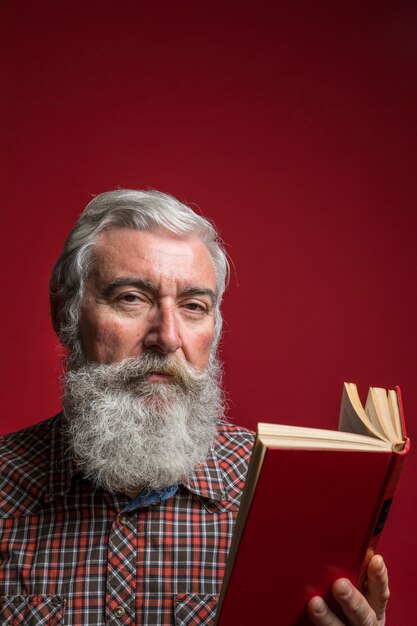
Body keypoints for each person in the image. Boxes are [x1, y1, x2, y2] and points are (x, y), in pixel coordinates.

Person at [0, 190, 389, 625]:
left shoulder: (279, 498)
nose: (167, 337)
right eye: (132, 297)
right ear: (66, 313)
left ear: (215, 328)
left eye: (193, 306)